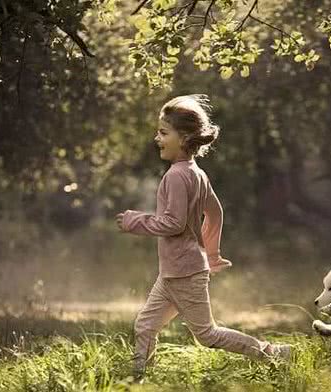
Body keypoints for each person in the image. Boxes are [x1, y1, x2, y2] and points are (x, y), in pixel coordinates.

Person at [115, 95, 291, 381]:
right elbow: (216, 213)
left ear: (184, 137)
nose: (156, 138)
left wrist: (135, 221)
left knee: (206, 335)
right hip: (175, 271)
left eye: (163, 132)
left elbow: (174, 223)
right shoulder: (197, 174)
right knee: (145, 326)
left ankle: (273, 353)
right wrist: (210, 253)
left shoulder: (175, 176)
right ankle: (138, 380)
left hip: (184, 272)